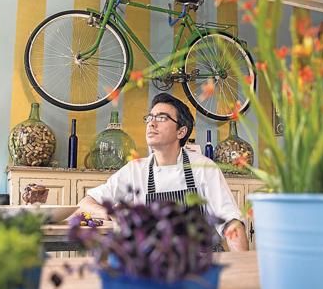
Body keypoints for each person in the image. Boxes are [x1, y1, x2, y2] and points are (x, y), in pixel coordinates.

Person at [78, 93, 249, 251]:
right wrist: (107, 213)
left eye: (162, 118)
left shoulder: (203, 168)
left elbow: (231, 224)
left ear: (181, 132)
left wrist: (243, 269)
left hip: (199, 265)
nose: (152, 123)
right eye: (150, 118)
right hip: (153, 267)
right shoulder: (135, 170)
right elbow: (86, 202)